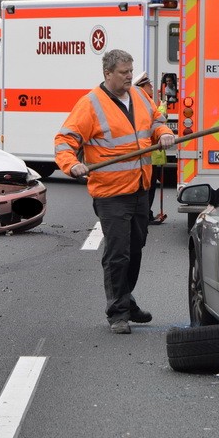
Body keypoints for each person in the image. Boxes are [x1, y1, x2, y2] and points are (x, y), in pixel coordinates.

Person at [55, 49, 174, 334]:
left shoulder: (140, 96)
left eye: (131, 71)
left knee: (136, 247)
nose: (130, 76)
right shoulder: (90, 104)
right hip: (111, 193)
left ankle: (126, 298)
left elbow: (156, 120)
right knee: (118, 252)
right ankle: (118, 312)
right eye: (124, 72)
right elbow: (65, 139)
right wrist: (72, 165)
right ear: (107, 74)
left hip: (140, 187)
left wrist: (163, 133)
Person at [133, 72, 168, 225]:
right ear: (141, 88)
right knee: (148, 187)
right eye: (148, 85)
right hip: (148, 154)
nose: (151, 87)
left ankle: (146, 213)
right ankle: (145, 214)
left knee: (151, 186)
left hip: (153, 153)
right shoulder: (144, 104)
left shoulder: (148, 103)